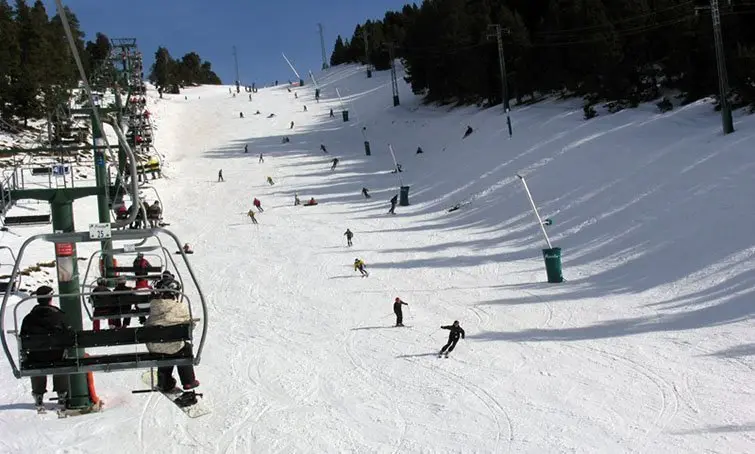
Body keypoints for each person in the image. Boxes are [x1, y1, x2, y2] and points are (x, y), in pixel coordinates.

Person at [20, 285, 72, 409]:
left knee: (35, 359)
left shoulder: (28, 318)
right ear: (50, 298)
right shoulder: (59, 316)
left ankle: (38, 393)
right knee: (61, 360)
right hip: (56, 356)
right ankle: (62, 392)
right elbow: (69, 335)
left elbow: (23, 337)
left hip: (36, 357)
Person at [145, 277, 200, 392]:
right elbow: (189, 325)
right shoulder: (180, 307)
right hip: (173, 347)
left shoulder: (154, 306)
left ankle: (165, 382)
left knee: (164, 351)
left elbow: (148, 323)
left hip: (154, 347)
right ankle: (188, 381)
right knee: (184, 348)